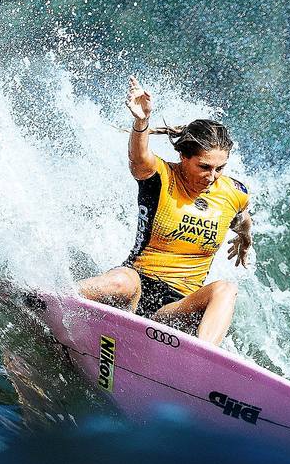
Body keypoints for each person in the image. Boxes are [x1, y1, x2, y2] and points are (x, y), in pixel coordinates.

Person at [78, 76, 252, 346]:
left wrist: (245, 237)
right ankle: (47, 297)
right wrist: (141, 122)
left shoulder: (233, 192)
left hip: (175, 309)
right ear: (184, 157)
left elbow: (241, 217)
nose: (212, 175)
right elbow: (139, 157)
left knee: (226, 289)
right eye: (204, 167)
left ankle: (202, 359)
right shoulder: (160, 177)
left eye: (220, 168)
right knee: (121, 283)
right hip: (135, 286)